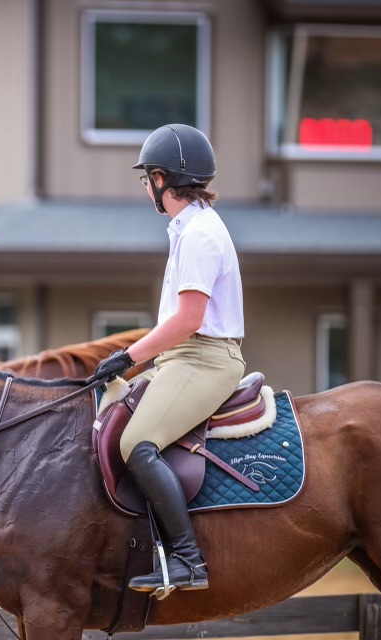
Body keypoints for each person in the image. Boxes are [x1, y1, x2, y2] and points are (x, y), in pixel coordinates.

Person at [91, 124, 245, 594]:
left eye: (147, 180)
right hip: (182, 359)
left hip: (204, 359)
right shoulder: (189, 228)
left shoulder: (198, 235)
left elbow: (188, 319)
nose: (147, 190)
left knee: (136, 443)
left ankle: (188, 560)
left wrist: (126, 357)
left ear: (161, 178)